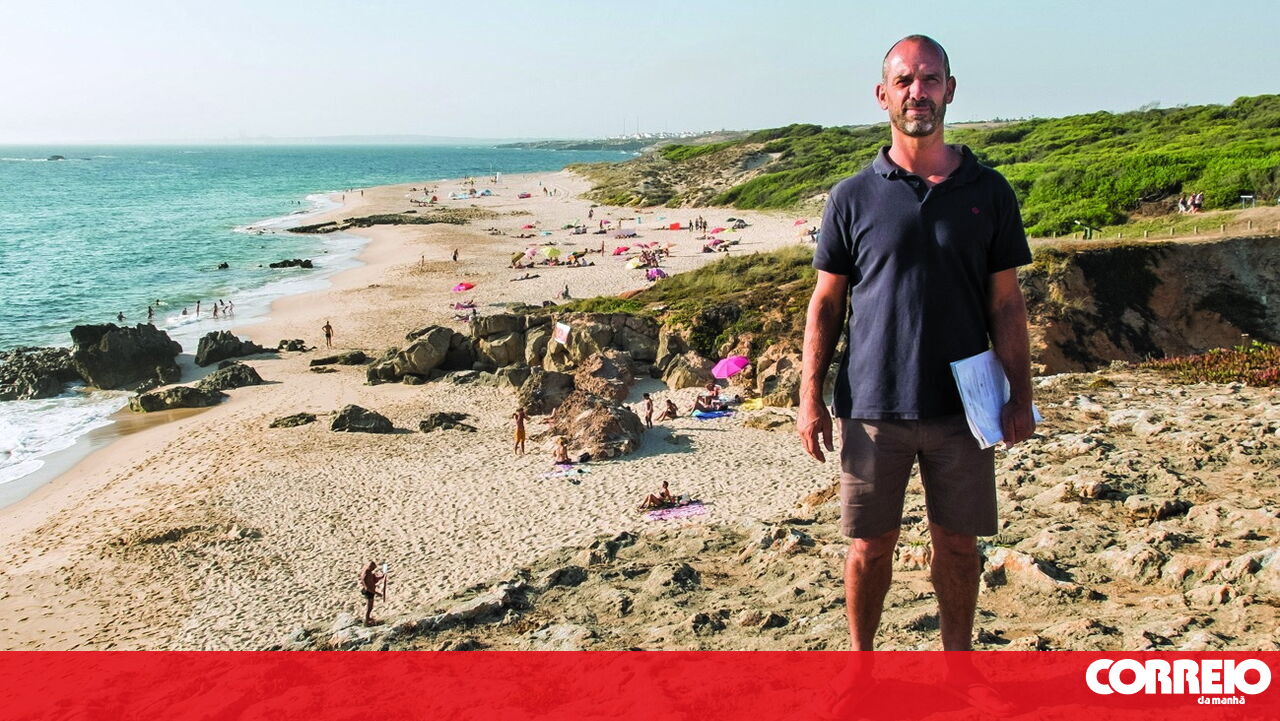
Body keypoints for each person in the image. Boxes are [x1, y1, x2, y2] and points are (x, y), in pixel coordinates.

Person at [798, 35, 1034, 707]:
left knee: (958, 546)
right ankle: (860, 672)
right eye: (904, 80)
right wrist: (809, 397)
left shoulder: (988, 191)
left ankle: (959, 673)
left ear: (950, 90)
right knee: (869, 547)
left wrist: (1020, 395)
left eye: (930, 79)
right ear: (883, 95)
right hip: (873, 406)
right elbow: (826, 303)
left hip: (964, 408)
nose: (917, 92)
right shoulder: (852, 197)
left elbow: (1006, 302)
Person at [358, 561, 385, 626]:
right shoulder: (365, 574)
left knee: (371, 607)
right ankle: (367, 620)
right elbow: (367, 588)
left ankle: (368, 618)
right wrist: (377, 593)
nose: (373, 570)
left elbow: (373, 579)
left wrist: (381, 577)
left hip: (371, 591)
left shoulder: (370, 572)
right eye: (373, 568)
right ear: (370, 567)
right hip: (368, 592)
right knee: (369, 607)